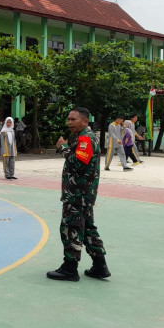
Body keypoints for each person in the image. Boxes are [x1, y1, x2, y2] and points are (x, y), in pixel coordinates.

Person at [48, 107, 109, 281]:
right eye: (68, 119)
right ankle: (100, 266)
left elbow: (77, 164)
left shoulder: (85, 139)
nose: (69, 122)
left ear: (84, 121)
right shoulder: (85, 138)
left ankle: (70, 268)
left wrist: (63, 148)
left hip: (77, 194)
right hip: (83, 194)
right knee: (88, 229)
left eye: (73, 119)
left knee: (70, 228)